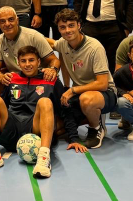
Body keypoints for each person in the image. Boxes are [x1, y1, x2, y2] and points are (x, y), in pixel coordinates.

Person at [0, 46, 61, 178]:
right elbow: (1, 106)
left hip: (34, 128)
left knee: (45, 102)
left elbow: (64, 110)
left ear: (38, 62)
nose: (27, 64)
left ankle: (44, 157)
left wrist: (72, 137)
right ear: (18, 63)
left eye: (31, 60)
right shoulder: (12, 78)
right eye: (23, 61)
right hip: (12, 127)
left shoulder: (50, 79)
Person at [50, 9, 118, 149]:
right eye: (62, 27)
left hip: (105, 93)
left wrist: (72, 90)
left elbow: (103, 84)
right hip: (80, 94)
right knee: (57, 128)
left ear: (79, 26)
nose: (67, 30)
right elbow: (45, 41)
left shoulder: (94, 47)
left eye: (71, 25)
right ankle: (89, 116)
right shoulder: (63, 43)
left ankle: (96, 127)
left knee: (86, 100)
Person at [0, 6, 60, 96]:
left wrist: (53, 69)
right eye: (2, 21)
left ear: (17, 20)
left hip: (38, 78)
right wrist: (2, 77)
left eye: (11, 19)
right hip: (15, 81)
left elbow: (54, 60)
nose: (7, 24)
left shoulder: (34, 36)